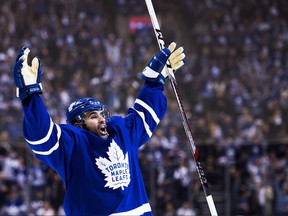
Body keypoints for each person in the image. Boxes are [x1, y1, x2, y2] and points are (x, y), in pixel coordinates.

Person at [12, 42, 185, 215]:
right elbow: (41, 134)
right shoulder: (72, 144)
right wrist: (30, 95)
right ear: (78, 124)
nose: (102, 119)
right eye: (93, 116)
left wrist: (155, 81)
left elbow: (145, 113)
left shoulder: (121, 133)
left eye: (102, 114)